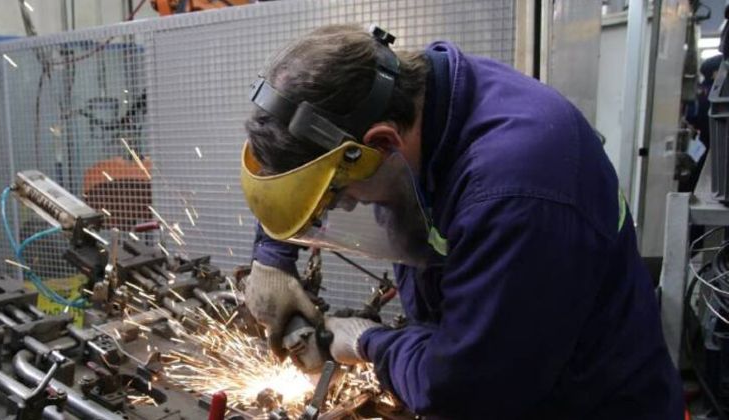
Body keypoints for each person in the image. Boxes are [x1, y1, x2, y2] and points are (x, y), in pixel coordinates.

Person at [239, 24, 682, 418]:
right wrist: (273, 256)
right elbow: (305, 126)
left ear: (382, 143)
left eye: (341, 195)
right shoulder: (418, 93)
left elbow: (464, 391)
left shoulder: (514, 195)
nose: (347, 207)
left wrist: (366, 341)